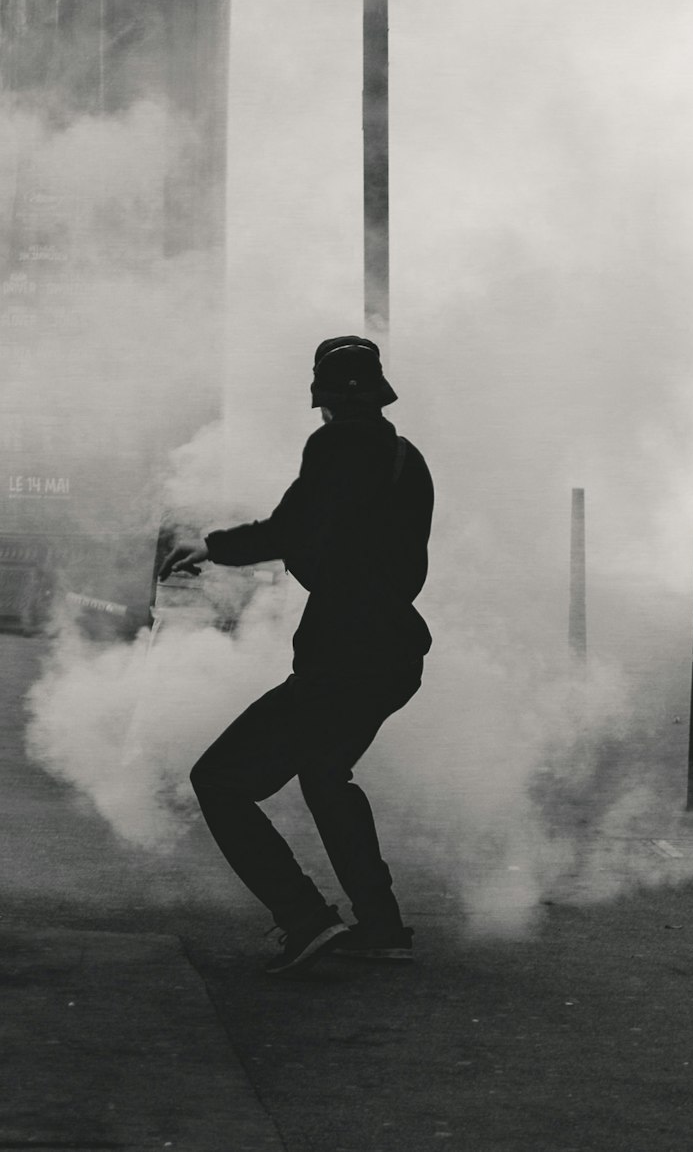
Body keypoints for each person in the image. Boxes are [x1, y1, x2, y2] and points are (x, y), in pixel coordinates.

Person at [159, 336, 433, 974]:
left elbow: (292, 529)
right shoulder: (405, 457)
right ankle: (382, 925)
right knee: (325, 775)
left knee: (220, 780)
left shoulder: (338, 444)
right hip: (394, 650)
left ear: (328, 399)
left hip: (344, 657)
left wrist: (211, 547)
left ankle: (305, 918)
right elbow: (387, 558)